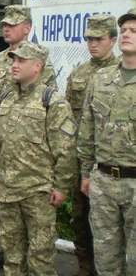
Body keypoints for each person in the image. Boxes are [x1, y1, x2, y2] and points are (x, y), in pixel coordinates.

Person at [0, 41, 77, 276]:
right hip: (7, 190)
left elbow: (65, 149)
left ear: (37, 67)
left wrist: (61, 186)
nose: (14, 65)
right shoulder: (6, 96)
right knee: (12, 256)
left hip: (38, 192)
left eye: (21, 61)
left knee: (40, 259)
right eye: (13, 60)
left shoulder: (52, 101)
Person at [0, 4, 58, 269]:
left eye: (12, 25)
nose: (6, 28)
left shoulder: (39, 60)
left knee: (36, 226)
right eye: (4, 24)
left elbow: (44, 106)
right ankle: (8, 251)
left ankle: (30, 260)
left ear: (27, 28)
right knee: (4, 208)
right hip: (2, 145)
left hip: (29, 153)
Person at [78, 7, 136, 275]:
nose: (127, 35)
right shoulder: (101, 79)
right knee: (105, 261)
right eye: (124, 30)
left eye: (134, 31)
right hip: (103, 182)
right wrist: (86, 172)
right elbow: (87, 129)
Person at [65, 14, 119, 275]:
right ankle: (84, 267)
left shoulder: (123, 74)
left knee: (110, 226)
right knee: (80, 217)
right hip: (80, 159)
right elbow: (66, 116)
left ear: (113, 40)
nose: (92, 44)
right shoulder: (79, 73)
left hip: (110, 161)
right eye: (89, 39)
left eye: (98, 39)